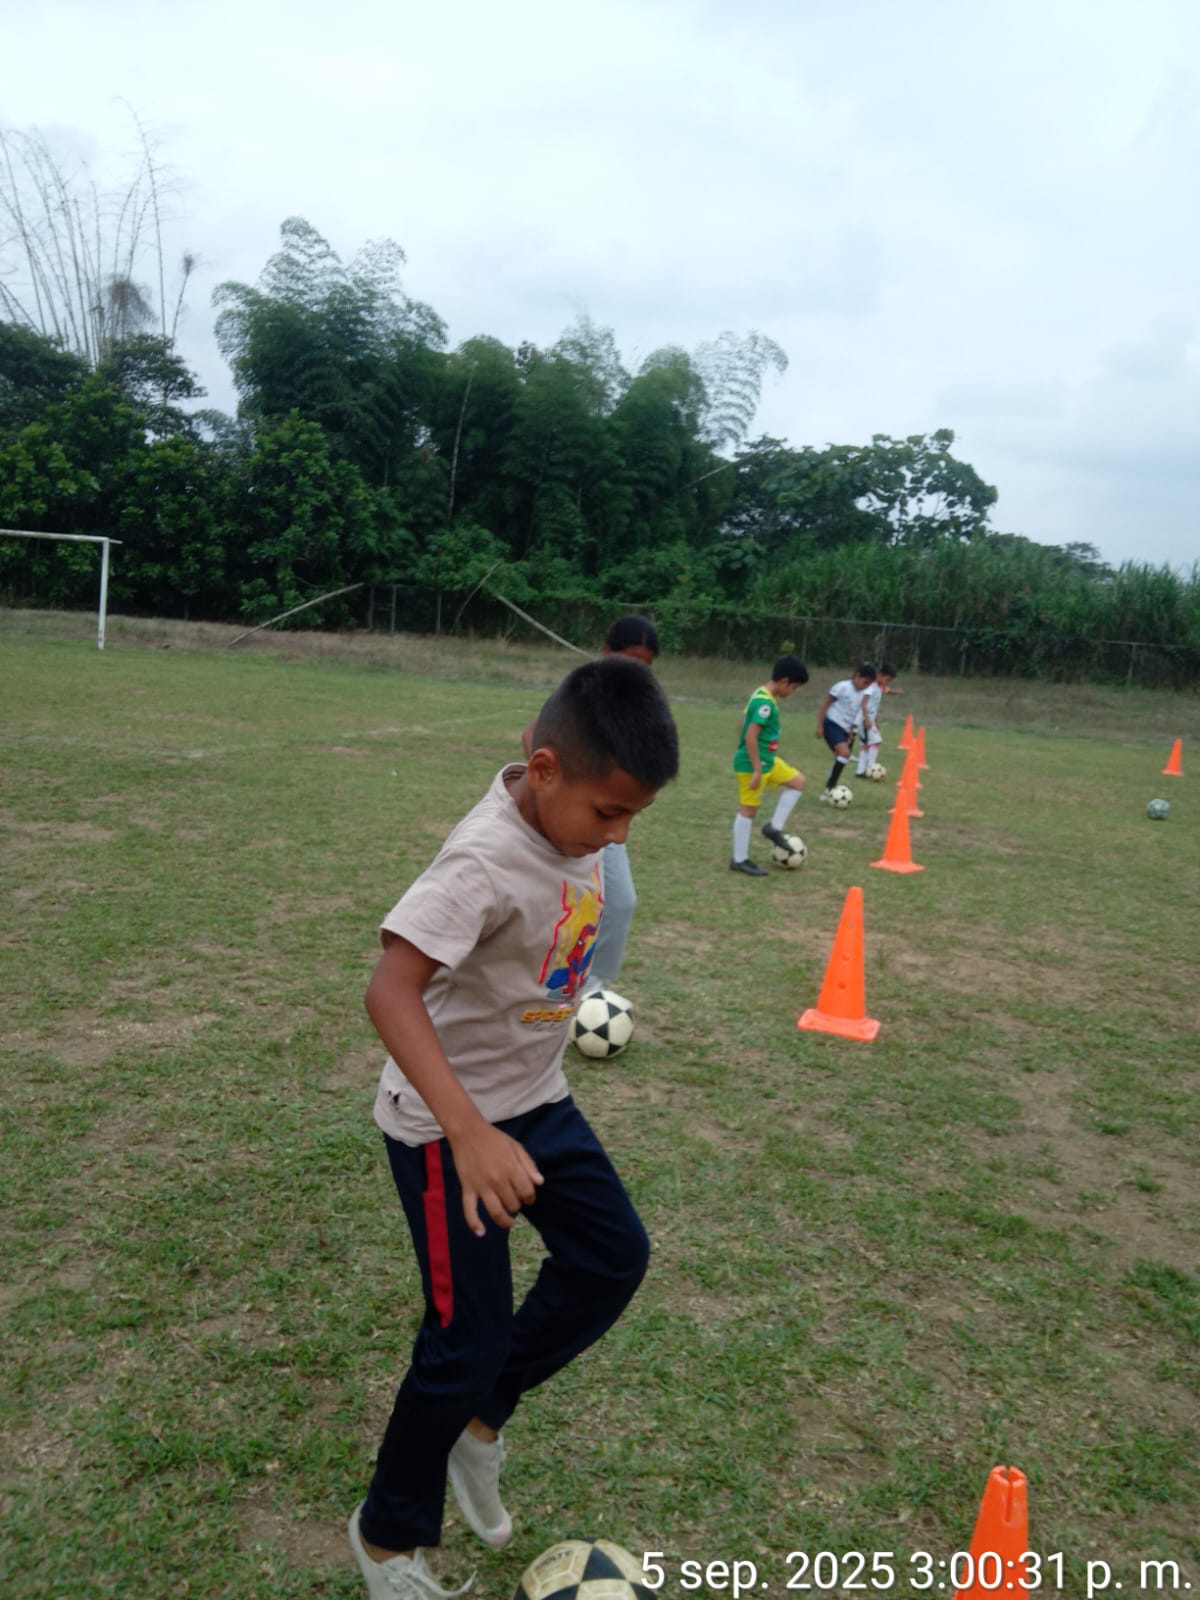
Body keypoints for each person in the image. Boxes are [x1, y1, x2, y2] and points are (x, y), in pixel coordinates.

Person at [349, 655, 680, 1600]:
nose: (618, 835)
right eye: (609, 813)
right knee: (465, 1340)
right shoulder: (481, 862)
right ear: (544, 771)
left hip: (536, 1099)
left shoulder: (574, 820)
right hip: (443, 1127)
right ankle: (385, 1539)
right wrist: (468, 1134)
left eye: (634, 817)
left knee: (611, 1259)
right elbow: (389, 990)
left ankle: (478, 1421)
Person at [520, 616, 661, 997]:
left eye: (645, 665)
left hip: (605, 824)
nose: (635, 671)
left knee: (620, 901)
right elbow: (532, 733)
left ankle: (593, 983)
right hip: (570, 820)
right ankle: (546, 982)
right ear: (607, 652)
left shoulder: (639, 705)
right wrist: (560, 791)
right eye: (629, 660)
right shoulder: (582, 693)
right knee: (552, 904)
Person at [730, 654, 810, 877]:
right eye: (793, 687)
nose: (792, 692)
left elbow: (741, 724)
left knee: (798, 782)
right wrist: (756, 768)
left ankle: (774, 827)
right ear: (784, 681)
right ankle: (739, 860)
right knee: (748, 810)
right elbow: (750, 736)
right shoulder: (764, 703)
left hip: (769, 761)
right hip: (752, 764)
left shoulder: (761, 693)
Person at [815, 664, 876, 799]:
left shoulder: (864, 693)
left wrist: (851, 729)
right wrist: (819, 725)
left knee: (841, 756)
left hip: (845, 728)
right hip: (831, 723)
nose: (865, 686)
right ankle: (830, 787)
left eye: (868, 684)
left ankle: (829, 787)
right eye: (865, 682)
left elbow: (854, 712)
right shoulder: (842, 687)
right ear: (857, 676)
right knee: (845, 753)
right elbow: (825, 705)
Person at [854, 661, 900, 777]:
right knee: (876, 741)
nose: (887, 683)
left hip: (869, 720)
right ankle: (871, 768)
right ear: (880, 674)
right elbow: (863, 703)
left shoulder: (879, 687)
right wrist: (866, 719)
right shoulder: (872, 686)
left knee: (866, 745)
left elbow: (873, 707)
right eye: (887, 680)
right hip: (864, 720)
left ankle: (860, 771)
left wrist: (876, 720)